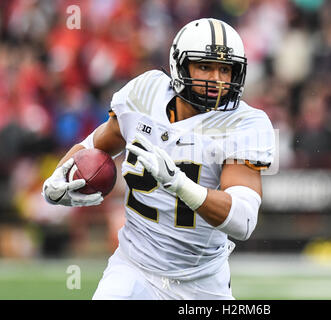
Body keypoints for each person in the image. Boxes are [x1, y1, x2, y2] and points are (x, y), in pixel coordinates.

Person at [42, 18, 275, 300]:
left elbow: (243, 220)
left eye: (226, 69)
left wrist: (180, 185)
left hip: (200, 281)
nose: (217, 79)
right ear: (179, 65)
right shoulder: (146, 93)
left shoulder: (244, 123)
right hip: (132, 268)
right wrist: (59, 175)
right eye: (205, 66)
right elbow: (99, 141)